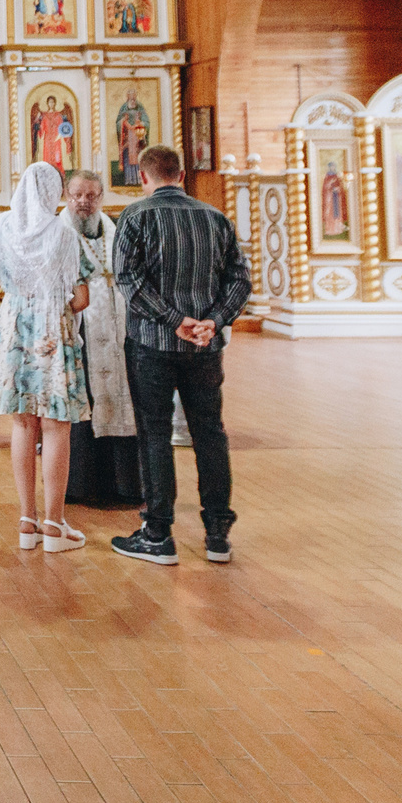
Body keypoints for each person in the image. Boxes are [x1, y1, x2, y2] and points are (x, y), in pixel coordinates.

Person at [110, 145, 252, 566]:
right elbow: (240, 280)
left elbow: (128, 280)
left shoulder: (135, 217)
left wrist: (173, 320)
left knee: (154, 433)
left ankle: (158, 534)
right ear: (183, 175)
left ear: (143, 177)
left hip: (152, 344)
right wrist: (213, 321)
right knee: (210, 433)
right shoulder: (215, 218)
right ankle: (217, 535)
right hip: (204, 346)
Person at [0, 164, 90, 553]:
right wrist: (54, 306)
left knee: (23, 423)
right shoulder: (63, 234)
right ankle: (54, 525)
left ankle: (27, 522)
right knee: (56, 426)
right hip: (52, 330)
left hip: (14, 329)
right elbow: (81, 298)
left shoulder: (0, 227)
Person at [59, 173, 141, 508]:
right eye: (77, 195)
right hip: (80, 327)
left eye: (91, 196)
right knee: (86, 402)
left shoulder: (116, 230)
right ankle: (81, 485)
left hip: (119, 327)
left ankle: (125, 485)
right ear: (66, 196)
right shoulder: (59, 233)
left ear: (101, 197)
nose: (84, 202)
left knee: (124, 398)